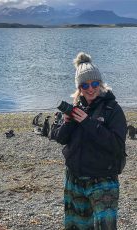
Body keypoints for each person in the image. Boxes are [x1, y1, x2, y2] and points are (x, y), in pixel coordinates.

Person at [51, 52, 127, 230]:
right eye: (85, 85)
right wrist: (68, 124)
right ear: (79, 88)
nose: (90, 89)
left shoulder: (113, 109)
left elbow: (116, 145)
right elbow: (61, 139)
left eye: (94, 84)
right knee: (76, 227)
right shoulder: (76, 108)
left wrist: (88, 122)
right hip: (74, 178)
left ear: (100, 84)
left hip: (103, 179)